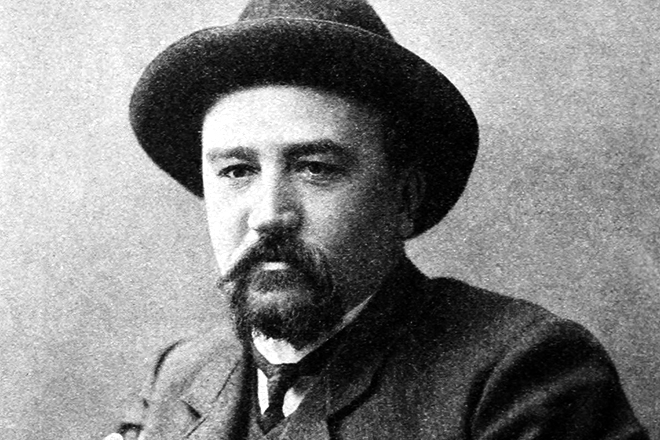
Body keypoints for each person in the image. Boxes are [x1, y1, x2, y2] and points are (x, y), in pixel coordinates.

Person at [109, 0, 649, 438]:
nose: (269, 215)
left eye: (316, 168)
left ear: (403, 198)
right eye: (236, 171)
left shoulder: (519, 375)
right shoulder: (180, 373)